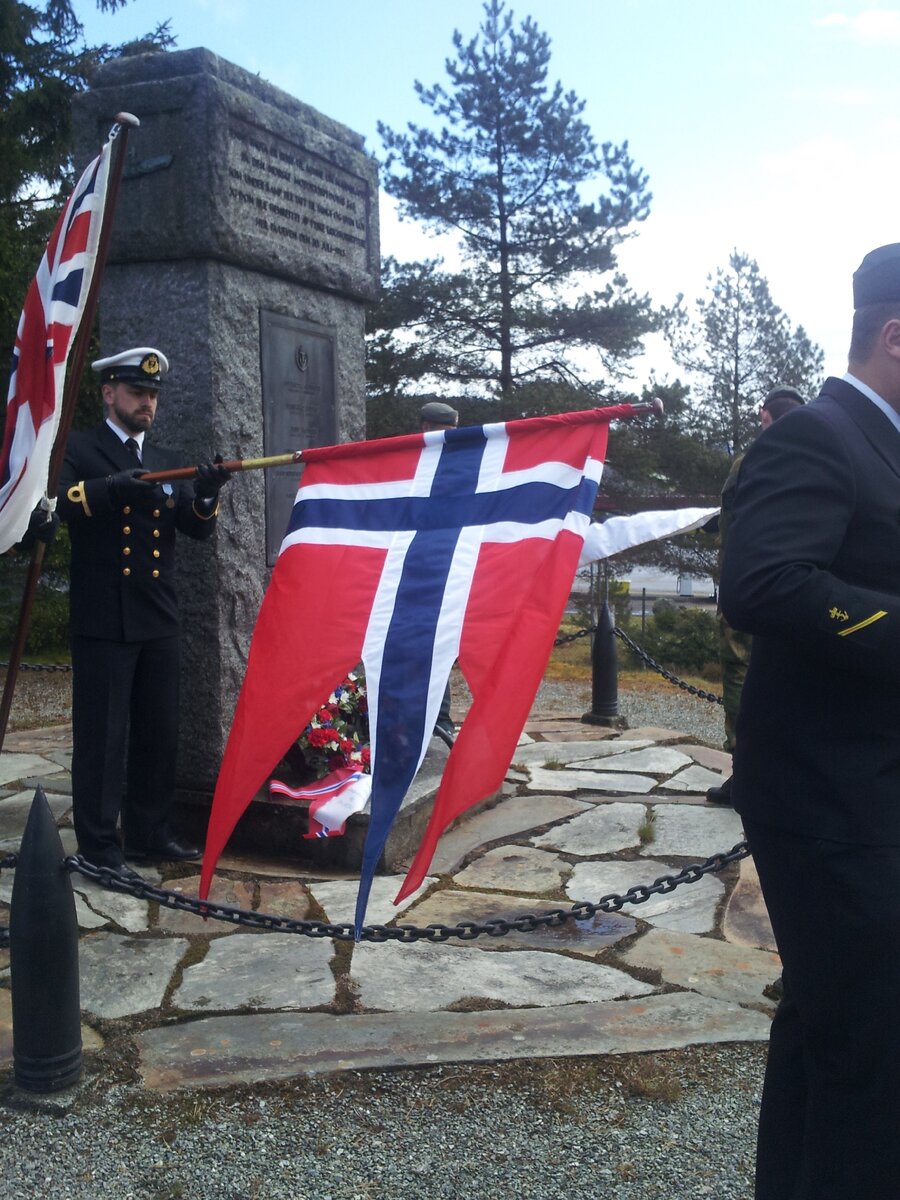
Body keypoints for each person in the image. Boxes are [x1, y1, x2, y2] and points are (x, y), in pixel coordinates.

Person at [719, 242, 900, 1199]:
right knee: (872, 1055)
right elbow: (761, 581)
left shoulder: (885, 445)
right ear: (896, 336)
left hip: (866, 786)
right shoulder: (819, 435)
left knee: (831, 1027)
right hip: (830, 800)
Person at [58, 348, 232, 879]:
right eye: (137, 393)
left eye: (153, 396)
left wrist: (205, 494)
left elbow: (195, 527)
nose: (147, 403)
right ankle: (98, 845)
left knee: (159, 732)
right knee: (103, 738)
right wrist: (112, 490)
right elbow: (57, 502)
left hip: (158, 615)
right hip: (104, 617)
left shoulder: (164, 458)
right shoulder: (80, 449)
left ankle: (149, 831)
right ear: (109, 393)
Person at [706, 385, 806, 806]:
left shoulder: (752, 460)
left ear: (765, 416)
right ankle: (789, 776)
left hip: (748, 589)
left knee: (740, 675)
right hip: (801, 591)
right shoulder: (814, 460)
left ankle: (747, 775)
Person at [418, 400, 459, 745]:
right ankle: (431, 718)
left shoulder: (461, 466)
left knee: (438, 645)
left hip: (443, 568)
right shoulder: (413, 460)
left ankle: (441, 720)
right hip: (414, 566)